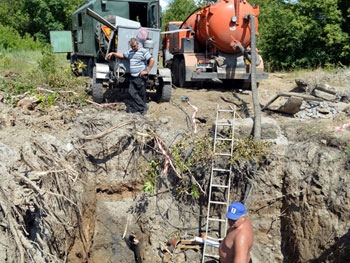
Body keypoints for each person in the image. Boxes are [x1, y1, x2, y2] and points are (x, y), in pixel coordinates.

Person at [107, 37, 154, 114]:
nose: (133, 48)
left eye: (134, 46)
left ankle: (141, 109)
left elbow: (152, 60)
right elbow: (123, 55)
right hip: (133, 76)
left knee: (137, 93)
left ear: (137, 44)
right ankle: (143, 107)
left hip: (140, 76)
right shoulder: (131, 52)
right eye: (132, 46)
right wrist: (113, 53)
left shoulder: (143, 51)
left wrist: (147, 71)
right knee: (134, 92)